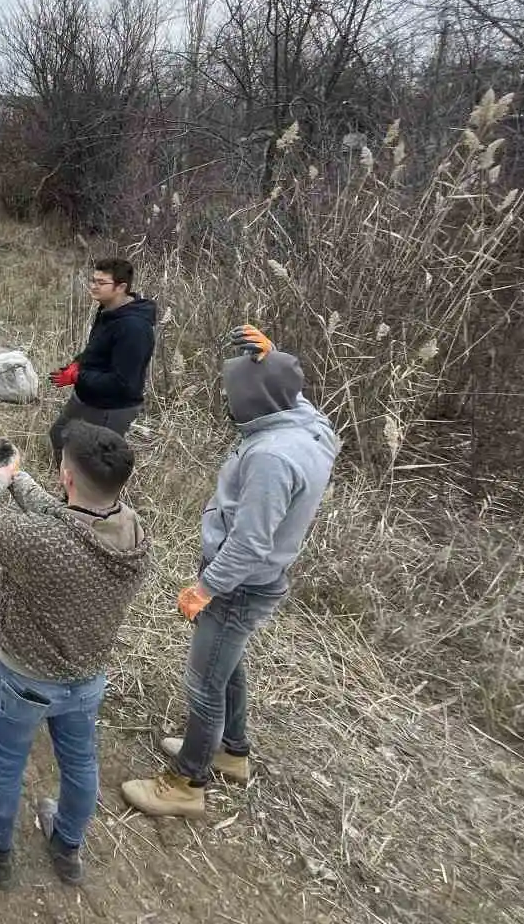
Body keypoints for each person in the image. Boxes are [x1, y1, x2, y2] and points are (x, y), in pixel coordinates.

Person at [120, 327, 339, 821]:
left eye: (231, 394)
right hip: (259, 579)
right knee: (225, 662)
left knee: (203, 683)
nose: (227, 401)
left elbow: (250, 540)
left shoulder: (269, 457)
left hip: (238, 584)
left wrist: (204, 588)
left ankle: (186, 782)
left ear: (253, 402)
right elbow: (299, 400)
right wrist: (274, 359)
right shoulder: (311, 430)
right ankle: (232, 752)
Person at [0, 423, 152, 889]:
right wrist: (18, 476)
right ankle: (67, 847)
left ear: (66, 476)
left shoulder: (43, 542)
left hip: (23, 675)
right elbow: (67, 518)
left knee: (5, 761)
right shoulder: (135, 532)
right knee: (81, 764)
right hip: (86, 676)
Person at [48, 257, 157, 462]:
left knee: (94, 464)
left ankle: (83, 492)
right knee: (59, 437)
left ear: (121, 287)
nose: (93, 286)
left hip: (111, 409)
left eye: (101, 283)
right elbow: (98, 350)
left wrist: (79, 376)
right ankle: (69, 489)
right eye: (93, 280)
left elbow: (123, 384)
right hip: (87, 396)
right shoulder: (107, 311)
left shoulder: (134, 329)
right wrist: (77, 363)